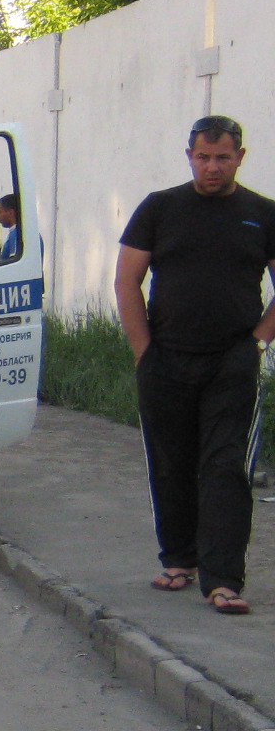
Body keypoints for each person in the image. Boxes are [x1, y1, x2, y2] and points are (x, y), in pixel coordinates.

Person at [116, 114, 275, 615]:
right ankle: (178, 559)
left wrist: (256, 344)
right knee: (171, 460)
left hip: (232, 359)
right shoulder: (160, 209)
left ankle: (223, 579)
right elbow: (127, 282)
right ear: (189, 156)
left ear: (239, 158)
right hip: (165, 357)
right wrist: (144, 352)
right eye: (203, 157)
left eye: (222, 157)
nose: (212, 167)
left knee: (225, 466)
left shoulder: (262, 213)